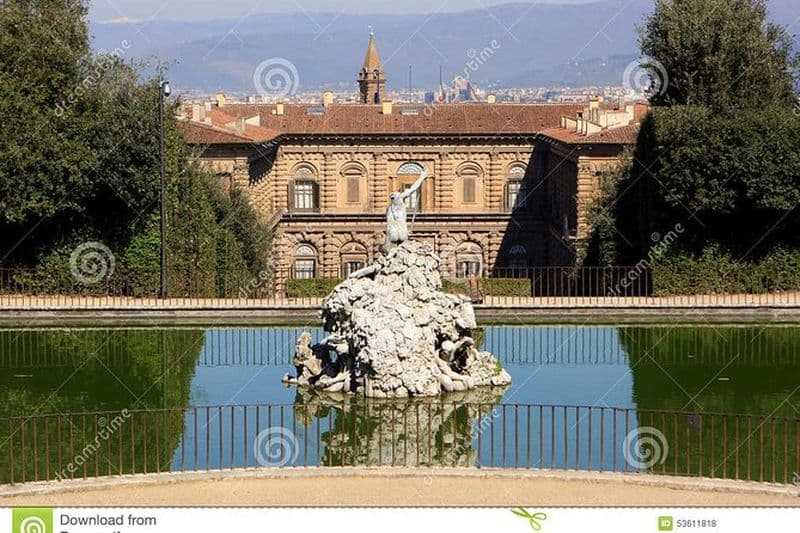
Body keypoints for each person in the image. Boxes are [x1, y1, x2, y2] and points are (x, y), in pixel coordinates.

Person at [382, 169, 428, 254]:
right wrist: (422, 177)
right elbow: (413, 189)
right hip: (400, 228)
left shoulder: (391, 207)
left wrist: (422, 177)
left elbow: (389, 224)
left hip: (396, 229)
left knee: (398, 249)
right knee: (402, 249)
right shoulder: (399, 199)